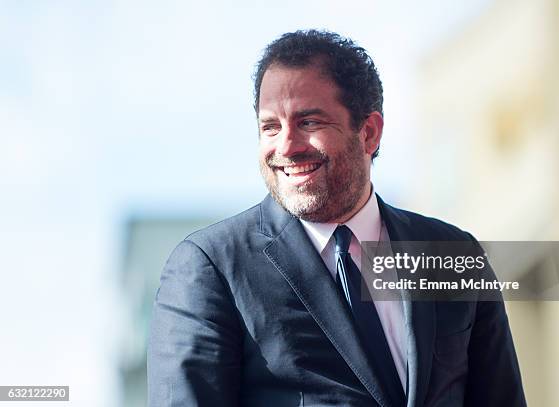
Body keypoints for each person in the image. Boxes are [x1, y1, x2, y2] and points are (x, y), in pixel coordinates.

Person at [147, 30, 527, 407]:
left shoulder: (451, 253)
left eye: (309, 122)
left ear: (369, 133)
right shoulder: (211, 267)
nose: (286, 146)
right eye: (270, 127)